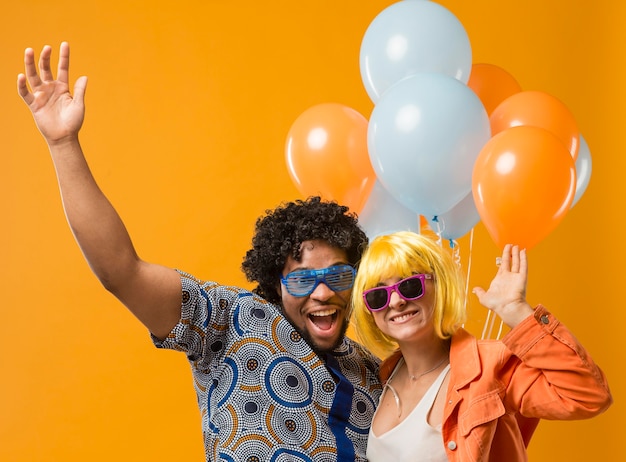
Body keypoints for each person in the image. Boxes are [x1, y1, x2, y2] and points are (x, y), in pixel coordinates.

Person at [17, 42, 382, 462]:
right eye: (301, 279)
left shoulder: (374, 371)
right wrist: (63, 145)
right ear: (275, 285)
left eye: (337, 276)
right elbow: (121, 271)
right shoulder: (230, 321)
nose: (322, 294)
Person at [351, 231, 612, 462]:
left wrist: (516, 312)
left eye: (409, 285)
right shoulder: (382, 376)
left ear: (439, 285)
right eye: (378, 294)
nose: (395, 301)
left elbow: (588, 396)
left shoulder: (490, 366)